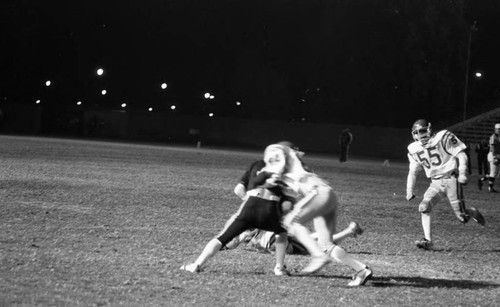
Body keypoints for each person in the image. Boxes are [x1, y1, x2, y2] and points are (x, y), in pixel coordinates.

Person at [261, 141, 372, 287]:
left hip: (318, 194)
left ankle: (318, 256)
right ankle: (361, 270)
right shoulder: (296, 169)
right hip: (329, 195)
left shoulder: (287, 164)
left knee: (291, 223)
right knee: (326, 244)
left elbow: (269, 178)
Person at [180, 160, 293, 276]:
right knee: (282, 234)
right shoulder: (288, 170)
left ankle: (196, 265)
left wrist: (249, 203)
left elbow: (238, 189)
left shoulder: (258, 164)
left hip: (251, 204)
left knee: (222, 237)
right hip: (271, 208)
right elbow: (288, 203)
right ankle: (279, 267)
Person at [406, 119, 486, 250]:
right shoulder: (414, 148)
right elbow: (413, 171)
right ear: (413, 134)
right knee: (424, 206)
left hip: (451, 179)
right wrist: (409, 189)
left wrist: (462, 172)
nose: (421, 134)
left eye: (423, 130)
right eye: (417, 132)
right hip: (435, 182)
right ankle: (428, 241)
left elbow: (461, 155)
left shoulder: (443, 137)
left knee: (462, 218)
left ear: (429, 129)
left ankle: (472, 213)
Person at [478, 123, 500, 192]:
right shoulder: (493, 137)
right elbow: (493, 148)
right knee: (493, 173)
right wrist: (495, 157)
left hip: (497, 155)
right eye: (498, 129)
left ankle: (481, 180)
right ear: (495, 129)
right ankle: (490, 188)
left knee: (494, 173)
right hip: (492, 155)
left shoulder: (499, 136)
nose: (499, 130)